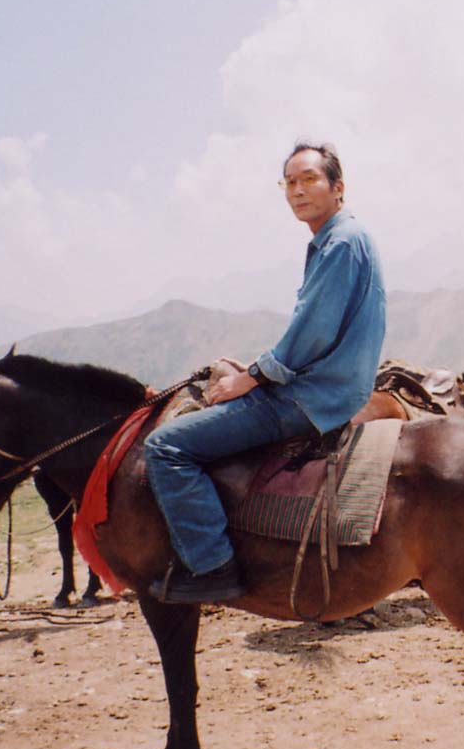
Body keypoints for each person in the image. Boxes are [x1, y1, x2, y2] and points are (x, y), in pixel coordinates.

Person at [144, 143, 386, 604]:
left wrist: (251, 377)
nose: (298, 190)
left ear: (338, 187)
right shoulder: (336, 239)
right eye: (289, 182)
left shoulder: (340, 243)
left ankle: (213, 566)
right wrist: (257, 367)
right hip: (325, 387)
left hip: (311, 397)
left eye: (309, 179)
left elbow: (312, 332)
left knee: (166, 446)